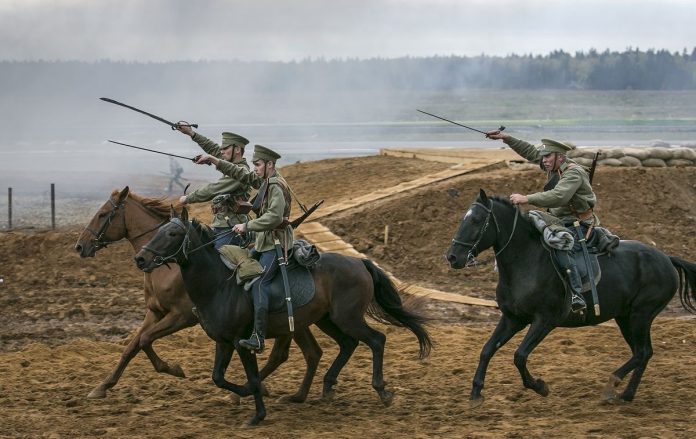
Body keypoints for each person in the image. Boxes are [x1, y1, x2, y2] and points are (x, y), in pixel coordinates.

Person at [194, 144, 293, 353]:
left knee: (259, 284)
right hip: (263, 242)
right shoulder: (266, 181)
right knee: (239, 268)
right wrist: (213, 160)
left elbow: (274, 217)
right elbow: (240, 173)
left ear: (269, 164)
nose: (254, 168)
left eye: (257, 164)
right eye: (255, 164)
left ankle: (258, 337)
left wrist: (246, 225)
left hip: (276, 244)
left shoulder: (275, 186)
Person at [486, 130, 598, 313]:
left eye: (547, 157)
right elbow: (531, 152)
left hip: (577, 223)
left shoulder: (573, 173)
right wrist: (506, 138)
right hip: (558, 218)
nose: (543, 160)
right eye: (543, 157)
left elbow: (559, 196)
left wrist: (527, 198)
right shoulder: (554, 166)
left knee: (561, 244)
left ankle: (576, 294)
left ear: (560, 157)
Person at [176, 124, 252, 250]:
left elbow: (214, 189)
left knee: (219, 260)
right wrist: (191, 133)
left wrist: (188, 198)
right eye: (222, 148)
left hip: (231, 226)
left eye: (225, 148)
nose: (221, 151)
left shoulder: (240, 171)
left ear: (237, 150)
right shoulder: (231, 164)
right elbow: (213, 149)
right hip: (222, 223)